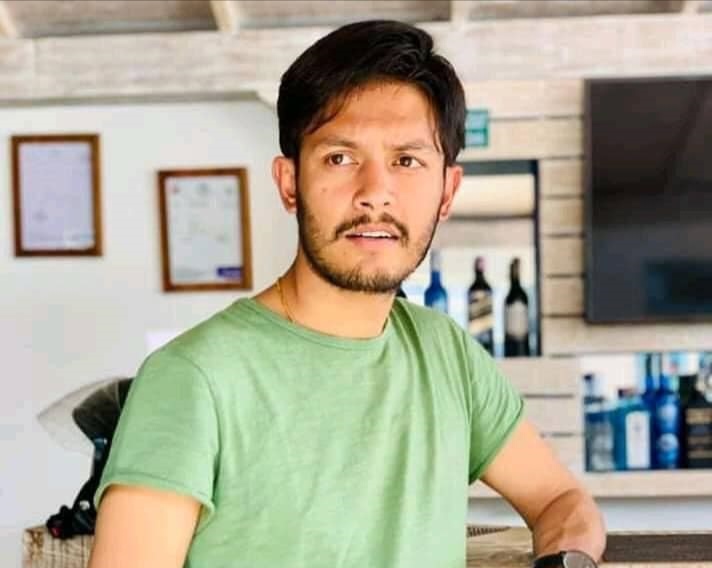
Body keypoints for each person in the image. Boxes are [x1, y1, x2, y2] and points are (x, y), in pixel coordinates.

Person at [88, 20, 605, 568]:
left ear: (447, 191)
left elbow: (560, 499)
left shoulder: (448, 355)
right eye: (340, 158)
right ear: (290, 183)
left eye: (407, 161)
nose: (375, 193)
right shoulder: (192, 378)